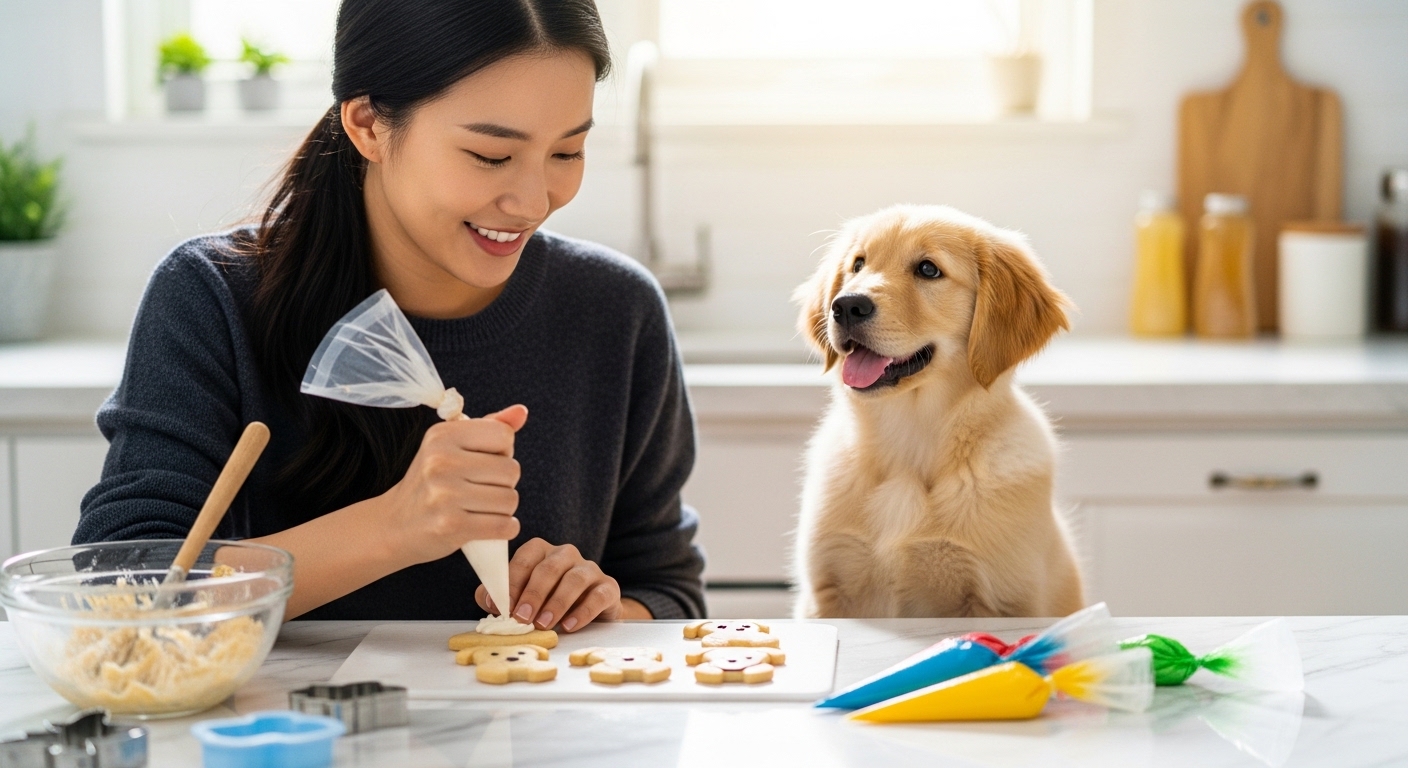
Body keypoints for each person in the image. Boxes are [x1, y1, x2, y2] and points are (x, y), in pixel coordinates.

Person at [74, 0, 705, 629]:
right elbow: (127, 589)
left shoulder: (616, 310)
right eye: (490, 155)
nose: (533, 200)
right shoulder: (212, 298)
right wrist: (394, 526)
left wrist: (595, 607)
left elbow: (668, 589)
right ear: (369, 123)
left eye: (567, 153)